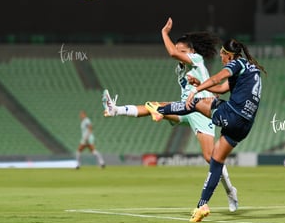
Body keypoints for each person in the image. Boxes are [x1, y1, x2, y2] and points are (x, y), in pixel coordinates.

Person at [102, 17, 239, 212]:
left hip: (201, 110)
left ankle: (230, 192)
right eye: (179, 49)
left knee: (211, 158)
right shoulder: (180, 69)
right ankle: (115, 110)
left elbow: (173, 53)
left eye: (183, 51)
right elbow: (176, 56)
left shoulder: (197, 61)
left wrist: (164, 33)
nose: (179, 54)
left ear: (192, 52)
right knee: (154, 106)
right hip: (185, 108)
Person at [146, 38, 267, 222]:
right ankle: (202, 205)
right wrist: (198, 84)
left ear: (229, 54)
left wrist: (195, 91)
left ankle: (159, 110)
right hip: (245, 125)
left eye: (222, 53)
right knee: (216, 160)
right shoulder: (251, 69)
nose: (220, 55)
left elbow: (218, 78)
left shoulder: (237, 63)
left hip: (232, 114)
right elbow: (221, 89)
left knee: (194, 103)